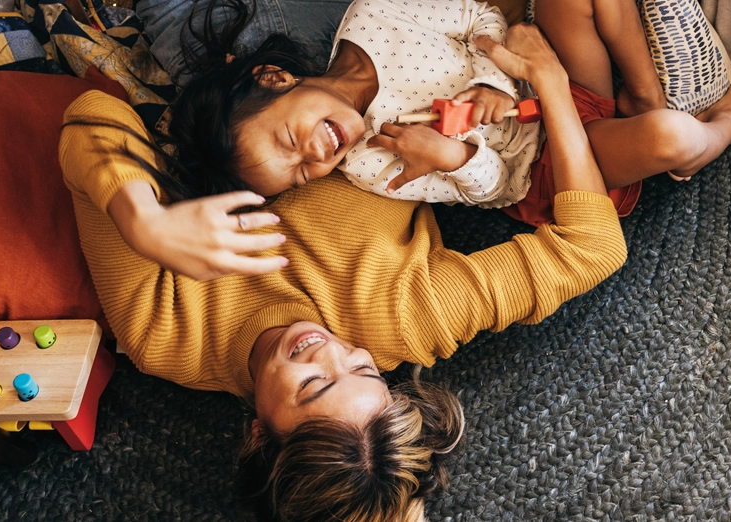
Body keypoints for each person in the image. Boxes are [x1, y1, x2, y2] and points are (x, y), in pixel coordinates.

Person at [60, 23, 625, 521]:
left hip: (230, 88)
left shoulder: (167, 336)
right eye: (364, 371)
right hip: (402, 51)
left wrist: (145, 223)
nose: (330, 349)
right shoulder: (404, 318)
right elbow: (592, 247)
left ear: (258, 436)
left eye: (312, 385)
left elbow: (92, 116)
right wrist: (551, 84)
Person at [150, 0, 731, 227]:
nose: (315, 159)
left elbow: (480, 18)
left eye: (290, 139)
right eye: (300, 176)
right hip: (547, 165)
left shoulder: (378, 14)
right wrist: (457, 157)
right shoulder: (373, 163)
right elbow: (498, 190)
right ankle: (719, 124)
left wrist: (491, 77)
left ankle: (642, 92)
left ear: (274, 78)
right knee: (669, 139)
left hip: (541, 80)